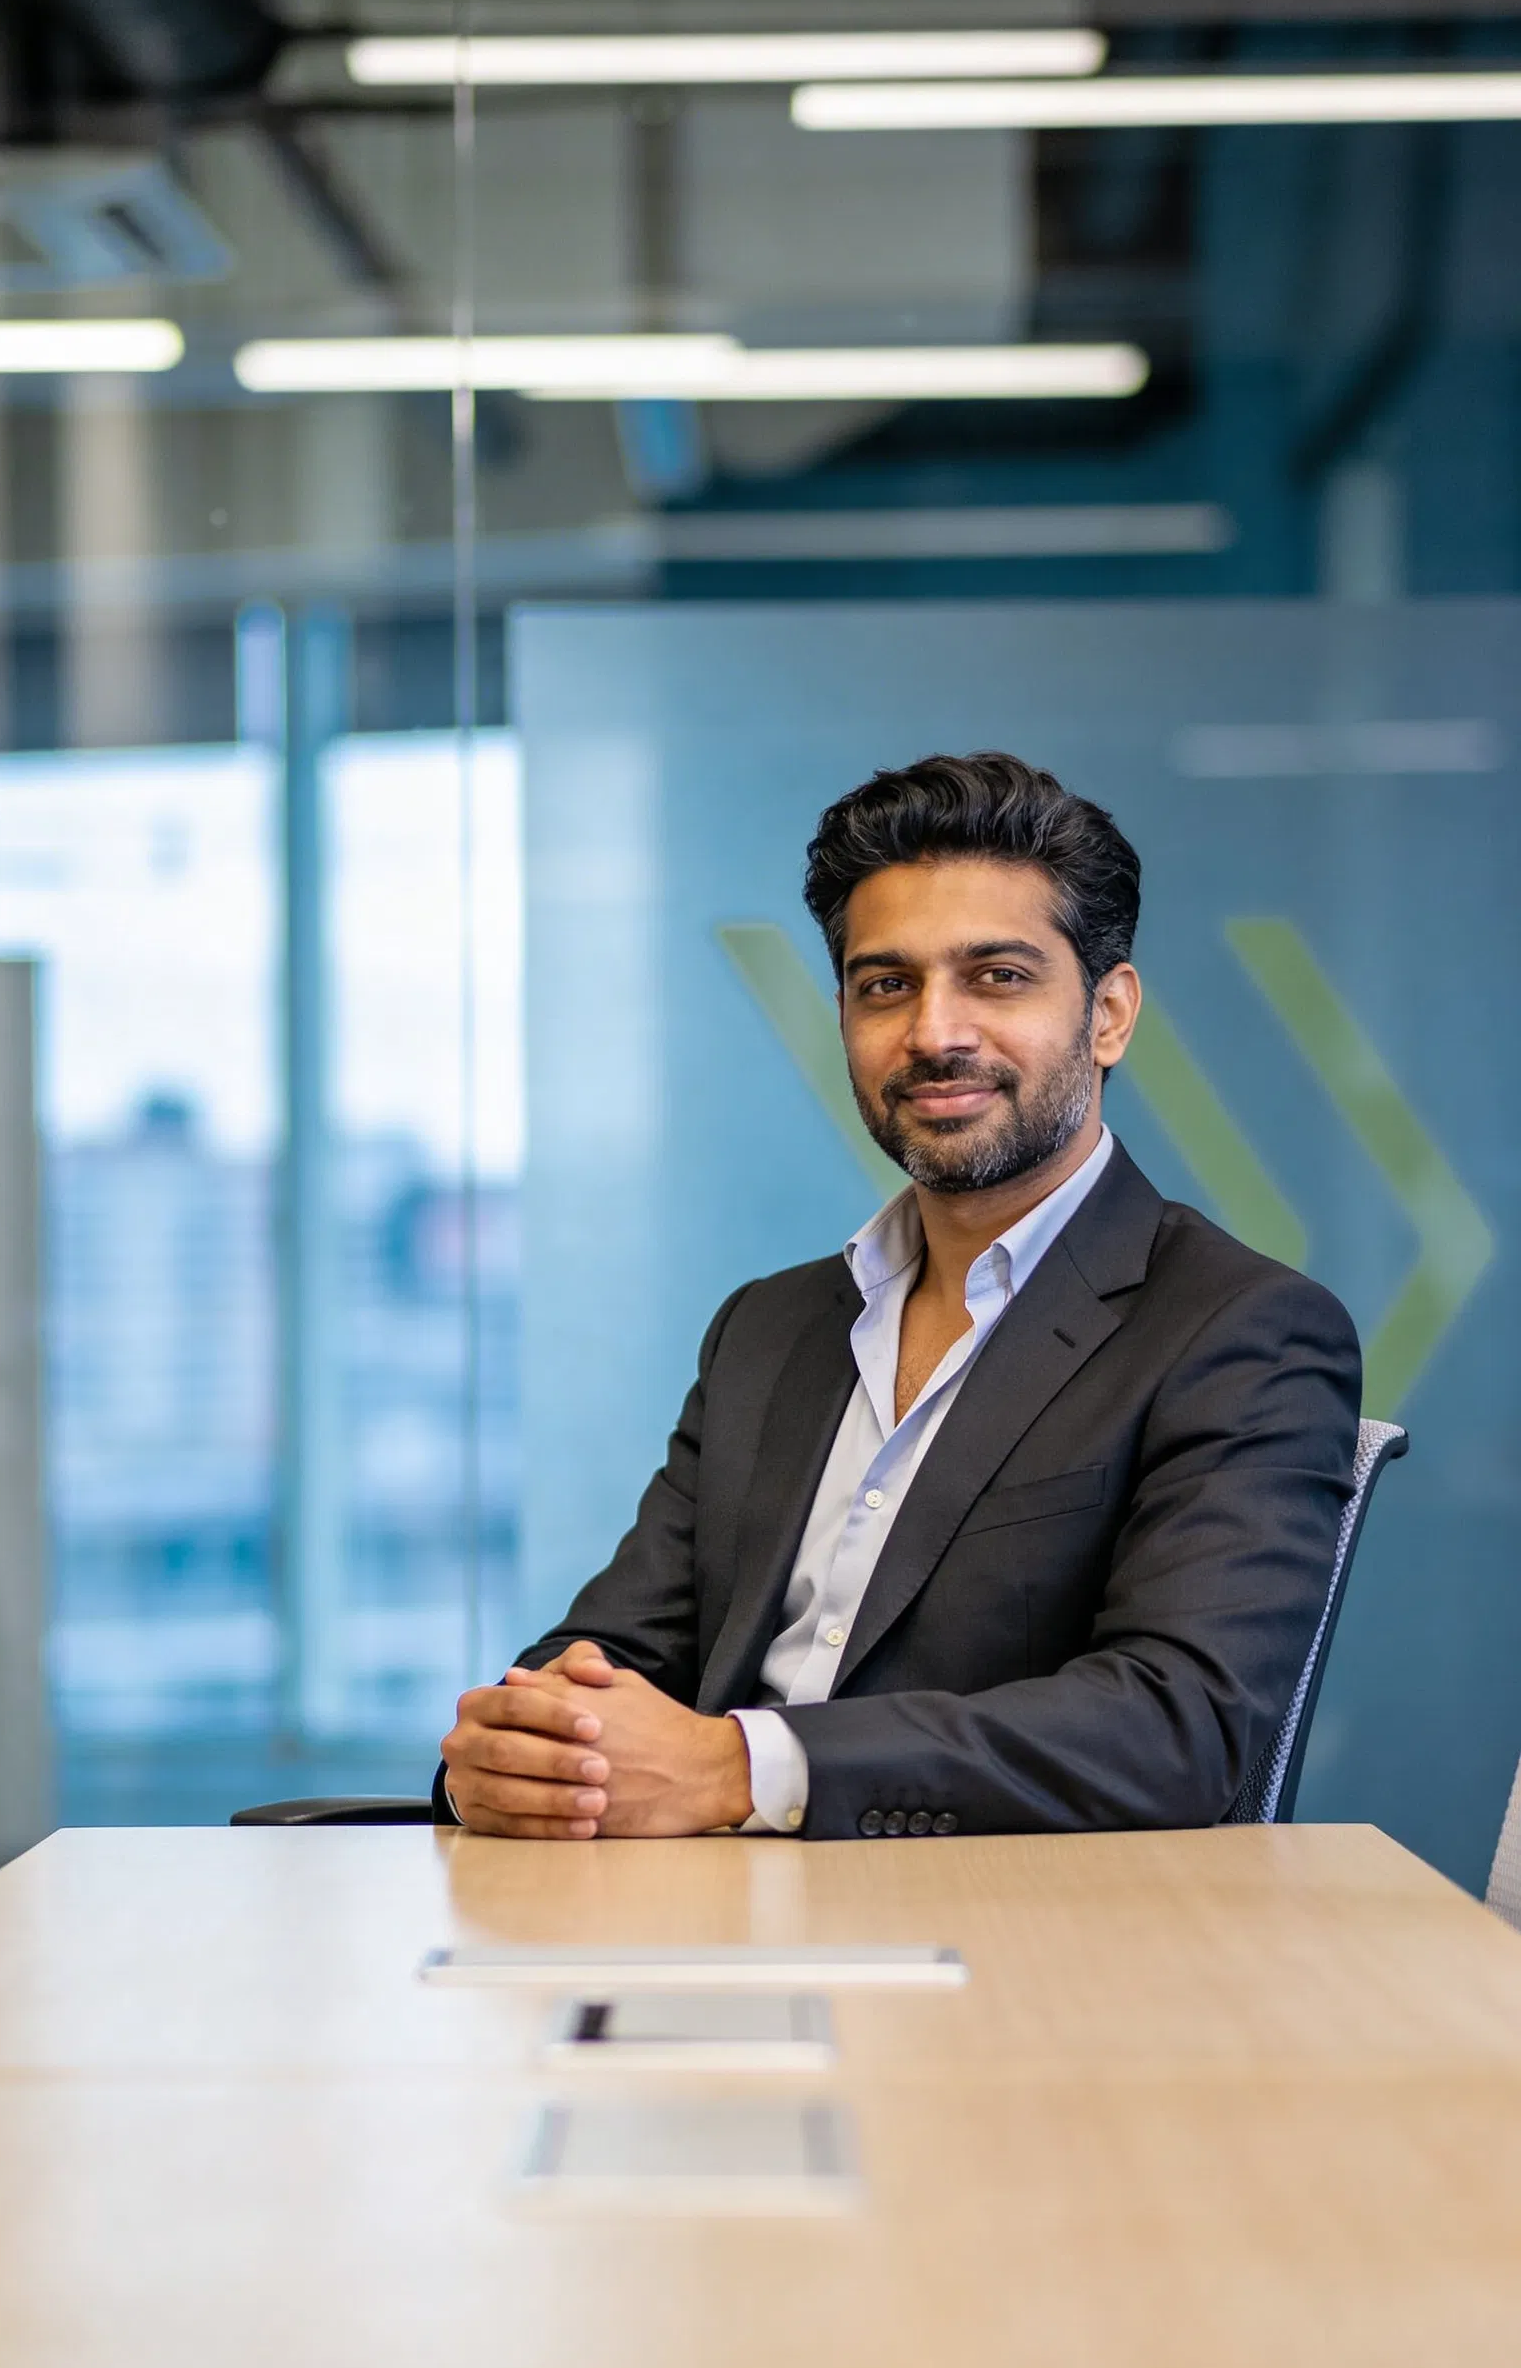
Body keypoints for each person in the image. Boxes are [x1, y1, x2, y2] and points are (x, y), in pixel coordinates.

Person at [439, 750, 1360, 1842]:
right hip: (708, 1922)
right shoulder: (770, 1328)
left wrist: (744, 1770)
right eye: (887, 985)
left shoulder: (1236, 1329)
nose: (934, 1032)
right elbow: (614, 1654)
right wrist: (516, 1753)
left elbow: (1181, 1729)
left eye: (998, 977)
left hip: (1012, 1953)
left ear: (1108, 1016)